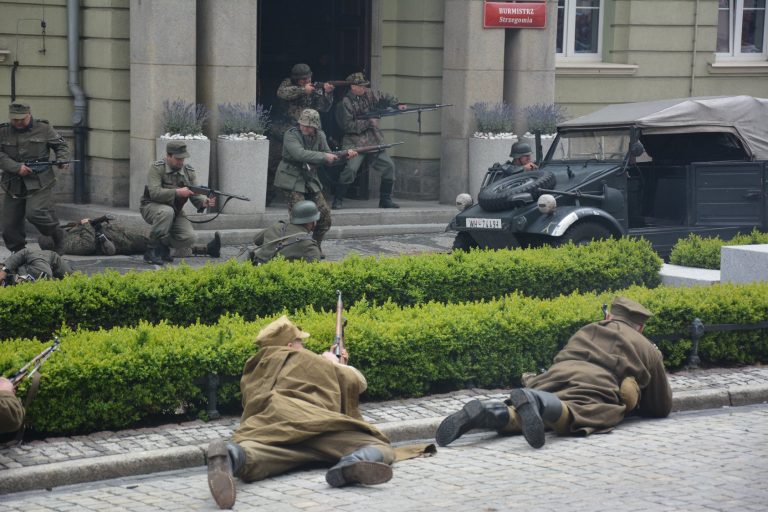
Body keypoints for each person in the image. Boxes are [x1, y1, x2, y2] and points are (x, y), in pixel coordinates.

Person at [205, 316, 395, 509]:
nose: (303, 347)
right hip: (311, 423)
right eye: (300, 342)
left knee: (258, 455)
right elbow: (359, 383)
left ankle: (231, 456)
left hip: (269, 429)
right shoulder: (306, 359)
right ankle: (352, 462)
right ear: (289, 345)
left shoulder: (256, 367)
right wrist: (335, 363)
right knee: (379, 445)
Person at [436, 296, 673, 449]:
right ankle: (537, 401)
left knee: (525, 416)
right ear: (640, 327)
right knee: (585, 412)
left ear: (609, 316)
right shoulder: (645, 347)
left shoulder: (587, 329)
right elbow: (661, 407)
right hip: (594, 385)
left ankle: (487, 412)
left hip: (553, 376)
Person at [273, 109, 358, 247]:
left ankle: (314, 247)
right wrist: (324, 156)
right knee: (299, 217)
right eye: (303, 124)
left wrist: (344, 157)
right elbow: (300, 154)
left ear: (315, 126)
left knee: (324, 217)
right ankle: (293, 249)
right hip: (291, 178)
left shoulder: (320, 136)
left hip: (310, 179)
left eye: (309, 126)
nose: (305, 127)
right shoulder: (291, 135)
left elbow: (329, 158)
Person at [0, 102, 70, 254]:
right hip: (13, 183)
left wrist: (62, 159)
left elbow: (61, 145)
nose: (18, 123)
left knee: (35, 212)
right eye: (14, 119)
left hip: (39, 181)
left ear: (29, 115)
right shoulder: (3, 131)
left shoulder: (44, 128)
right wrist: (16, 167)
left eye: (21, 119)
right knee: (9, 224)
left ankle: (57, 235)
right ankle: (19, 253)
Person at [139, 141, 218, 265]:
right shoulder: (157, 168)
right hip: (151, 206)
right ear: (168, 156)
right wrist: (177, 192)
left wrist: (204, 202)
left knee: (190, 237)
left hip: (175, 210)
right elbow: (154, 193)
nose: (181, 162)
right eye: (178, 159)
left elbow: (195, 194)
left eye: (183, 158)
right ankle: (151, 250)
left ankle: (163, 246)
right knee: (167, 212)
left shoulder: (188, 171)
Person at [333, 72, 404, 210]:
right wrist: (369, 122)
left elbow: (385, 96)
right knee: (351, 170)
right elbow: (347, 126)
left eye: (365, 86)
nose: (365, 88)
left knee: (389, 166)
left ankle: (385, 200)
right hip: (354, 141)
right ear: (353, 87)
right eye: (361, 86)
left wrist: (397, 104)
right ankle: (338, 199)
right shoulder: (344, 103)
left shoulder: (369, 94)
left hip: (373, 139)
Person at [267, 63, 336, 205]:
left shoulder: (314, 87)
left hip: (305, 132)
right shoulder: (287, 84)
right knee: (274, 164)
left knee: (309, 162)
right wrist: (303, 90)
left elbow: (324, 107)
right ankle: (267, 196)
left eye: (308, 78)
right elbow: (282, 93)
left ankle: (307, 195)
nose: (307, 81)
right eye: (303, 79)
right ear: (296, 79)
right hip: (283, 130)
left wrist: (327, 93)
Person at [38, 217, 220, 258]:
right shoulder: (67, 245)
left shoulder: (67, 235)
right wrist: (86, 225)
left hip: (118, 235)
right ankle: (204, 249)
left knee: (156, 240)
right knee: (157, 244)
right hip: (120, 242)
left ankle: (204, 249)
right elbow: (86, 245)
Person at [248, 200, 323, 264]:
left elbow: (256, 240)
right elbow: (314, 270)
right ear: (312, 221)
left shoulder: (277, 226)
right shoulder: (309, 245)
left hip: (257, 270)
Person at [0, 247, 72, 285]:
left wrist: (4, 270)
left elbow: (26, 252)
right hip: (40, 271)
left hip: (52, 268)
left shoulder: (38, 264)